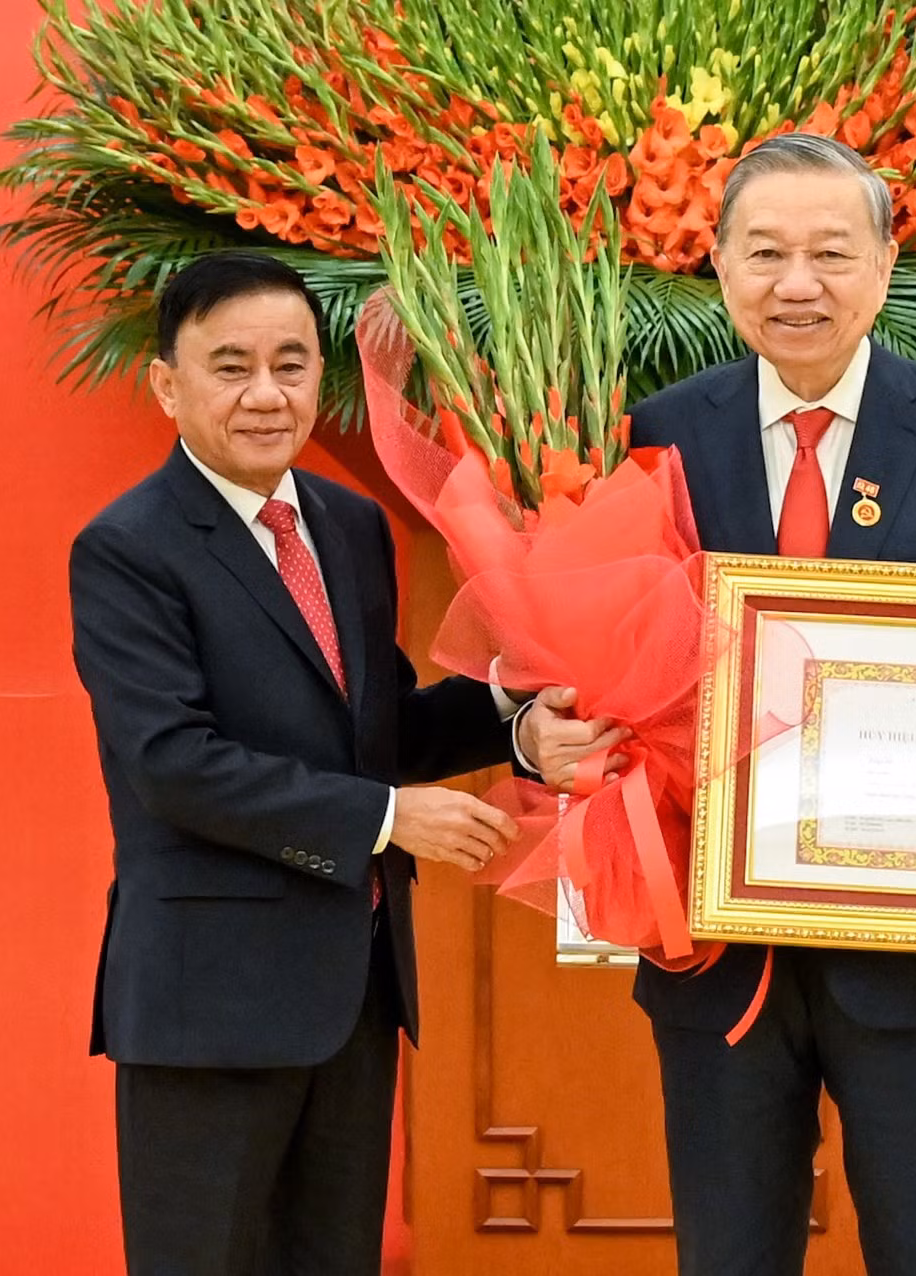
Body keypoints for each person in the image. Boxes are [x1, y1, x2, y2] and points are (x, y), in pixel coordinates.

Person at [68, 251, 598, 1276]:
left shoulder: (347, 528)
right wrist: (388, 820)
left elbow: (377, 724)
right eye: (230, 366)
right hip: (207, 1005)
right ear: (166, 384)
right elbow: (171, 762)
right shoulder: (128, 547)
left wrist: (513, 717)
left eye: (290, 363)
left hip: (351, 995)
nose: (267, 394)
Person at [627, 134, 916, 1275]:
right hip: (720, 944)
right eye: (763, 253)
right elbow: (620, 657)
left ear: (884, 263)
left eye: (830, 251)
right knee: (727, 1252)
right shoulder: (656, 431)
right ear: (715, 265)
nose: (796, 284)